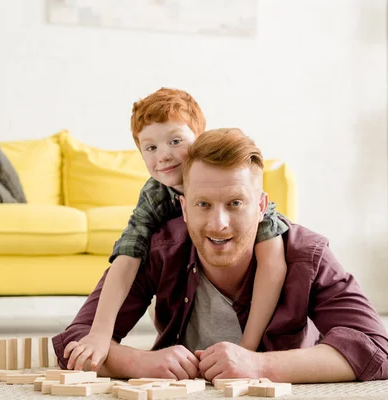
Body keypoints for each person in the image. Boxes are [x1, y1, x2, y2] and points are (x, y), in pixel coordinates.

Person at [53, 128, 388, 383]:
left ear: (261, 207)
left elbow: (376, 351)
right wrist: (138, 363)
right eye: (203, 205)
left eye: (235, 203)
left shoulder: (306, 254)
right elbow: (76, 339)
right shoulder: (160, 248)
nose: (218, 224)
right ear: (184, 208)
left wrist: (259, 366)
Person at [67, 88, 290, 371]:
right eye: (151, 148)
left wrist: (248, 348)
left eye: (175, 141)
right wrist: (100, 334)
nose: (164, 156)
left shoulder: (234, 179)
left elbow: (273, 260)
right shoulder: (155, 195)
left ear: (198, 140)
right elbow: (126, 256)